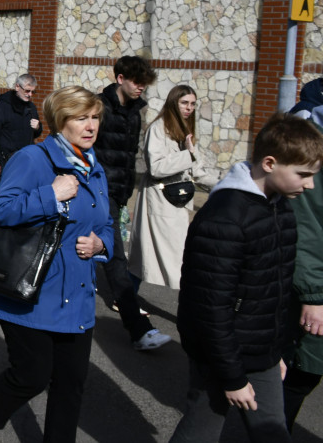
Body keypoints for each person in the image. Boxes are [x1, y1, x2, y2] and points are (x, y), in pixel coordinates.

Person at [0, 86, 114, 443]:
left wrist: (101, 244)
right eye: (81, 118)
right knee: (32, 375)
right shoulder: (33, 159)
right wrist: (51, 195)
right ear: (61, 120)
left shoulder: (94, 167)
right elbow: (0, 211)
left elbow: (106, 223)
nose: (91, 126)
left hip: (77, 293)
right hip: (31, 289)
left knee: (70, 383)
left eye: (95, 117)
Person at [169, 114, 323, 443]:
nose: (309, 185)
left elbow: (275, 293)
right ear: (270, 163)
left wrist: (276, 351)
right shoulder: (225, 217)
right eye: (303, 174)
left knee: (273, 434)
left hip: (262, 352)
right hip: (219, 356)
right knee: (200, 432)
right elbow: (210, 307)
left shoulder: (281, 207)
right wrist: (232, 377)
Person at [92, 55, 171, 350]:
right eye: (137, 82)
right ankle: (139, 331)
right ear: (120, 78)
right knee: (115, 257)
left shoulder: (135, 114)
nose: (141, 87)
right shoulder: (99, 107)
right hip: (96, 192)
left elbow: (128, 158)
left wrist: (125, 193)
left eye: (144, 83)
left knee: (99, 253)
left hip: (117, 194)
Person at [128, 85, 209, 290]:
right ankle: (126, 296)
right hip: (159, 198)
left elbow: (197, 170)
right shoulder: (158, 128)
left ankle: (125, 296)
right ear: (173, 103)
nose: (189, 108)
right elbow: (156, 167)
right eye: (184, 103)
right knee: (150, 255)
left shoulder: (184, 130)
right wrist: (187, 155)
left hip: (176, 200)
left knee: (159, 255)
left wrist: (225, 183)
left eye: (192, 104)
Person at [283, 103, 323, 431]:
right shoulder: (312, 139)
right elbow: (304, 226)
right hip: (316, 288)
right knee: (302, 372)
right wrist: (314, 295)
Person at [0, 73, 42, 186]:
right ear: (17, 87)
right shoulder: (1, 107)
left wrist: (38, 127)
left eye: (32, 92)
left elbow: (36, 133)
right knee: (6, 196)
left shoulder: (31, 108)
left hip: (26, 162)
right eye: (27, 91)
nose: (30, 95)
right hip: (6, 162)